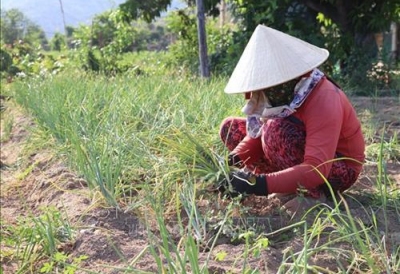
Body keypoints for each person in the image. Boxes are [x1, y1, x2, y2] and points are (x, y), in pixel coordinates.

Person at [217, 25, 365, 213]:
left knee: (275, 131)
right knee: (231, 128)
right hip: (295, 150)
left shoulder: (324, 97)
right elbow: (256, 135)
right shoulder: (282, 97)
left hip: (335, 169)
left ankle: (311, 195)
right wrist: (229, 165)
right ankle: (284, 181)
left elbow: (317, 168)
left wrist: (258, 184)